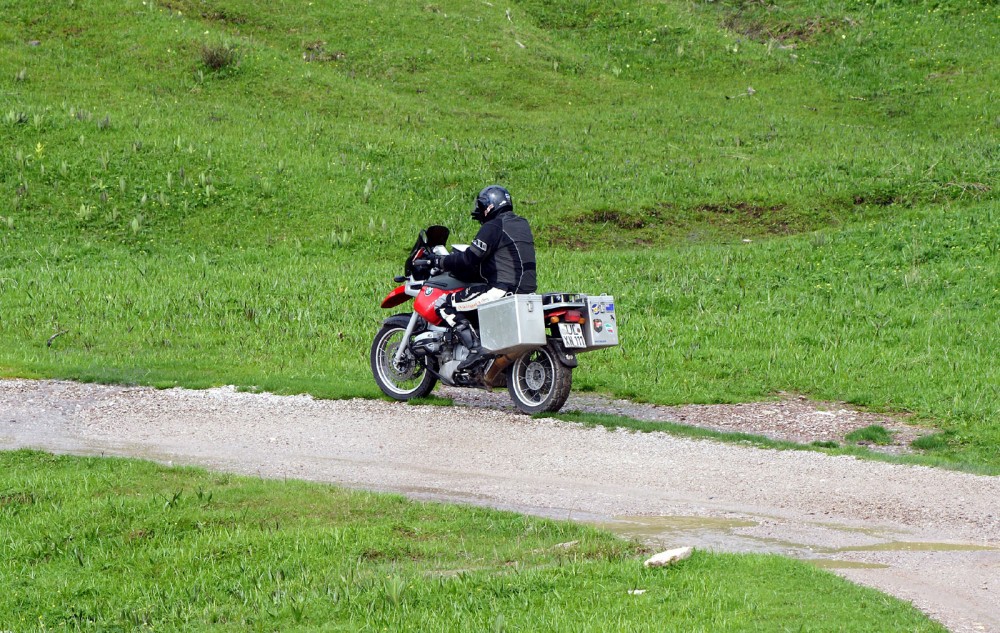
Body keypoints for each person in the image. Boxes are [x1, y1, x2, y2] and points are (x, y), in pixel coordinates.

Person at [429, 185, 537, 371]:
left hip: (502, 290)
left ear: (489, 206)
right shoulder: (521, 223)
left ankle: (474, 349)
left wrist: (441, 262)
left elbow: (469, 259)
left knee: (443, 304)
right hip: (526, 291)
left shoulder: (493, 226)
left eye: (481, 206)